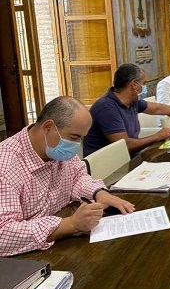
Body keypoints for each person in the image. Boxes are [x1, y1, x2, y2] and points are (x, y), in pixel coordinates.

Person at [0, 96, 135, 257]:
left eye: (81, 138)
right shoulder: (6, 165)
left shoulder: (55, 147)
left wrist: (99, 193)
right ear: (48, 127)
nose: (77, 145)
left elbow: (77, 176)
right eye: (74, 137)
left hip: (60, 247)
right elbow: (3, 234)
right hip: (23, 262)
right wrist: (70, 224)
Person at [83, 63, 170, 157]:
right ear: (134, 84)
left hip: (129, 156)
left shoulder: (132, 102)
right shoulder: (107, 108)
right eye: (143, 83)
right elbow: (124, 145)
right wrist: (156, 137)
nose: (145, 88)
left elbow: (158, 108)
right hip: (109, 165)